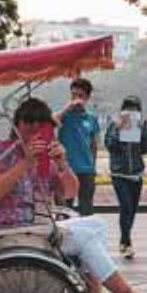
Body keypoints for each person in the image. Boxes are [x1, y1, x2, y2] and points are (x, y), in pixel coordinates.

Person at [0, 97, 147, 293]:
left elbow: (71, 191)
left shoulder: (45, 158)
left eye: (40, 123)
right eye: (28, 121)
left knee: (97, 224)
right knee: (83, 237)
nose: (34, 128)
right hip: (6, 232)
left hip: (35, 228)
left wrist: (62, 163)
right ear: (16, 125)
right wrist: (25, 163)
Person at [105, 97, 147, 259]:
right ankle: (126, 241)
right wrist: (119, 130)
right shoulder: (114, 124)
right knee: (126, 206)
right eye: (128, 108)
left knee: (133, 209)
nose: (131, 112)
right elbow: (109, 145)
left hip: (136, 173)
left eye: (134, 109)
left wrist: (144, 132)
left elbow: (145, 149)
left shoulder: (140, 126)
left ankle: (125, 239)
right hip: (119, 173)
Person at [57, 78, 99, 215]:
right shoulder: (65, 116)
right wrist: (67, 107)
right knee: (64, 210)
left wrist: (93, 166)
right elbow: (51, 121)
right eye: (73, 95)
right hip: (66, 168)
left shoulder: (91, 118)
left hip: (86, 170)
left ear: (87, 97)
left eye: (80, 95)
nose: (76, 99)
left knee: (86, 210)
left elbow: (93, 144)